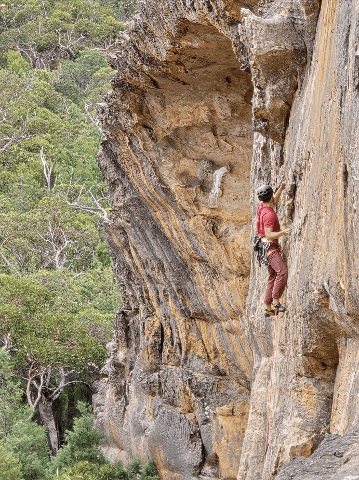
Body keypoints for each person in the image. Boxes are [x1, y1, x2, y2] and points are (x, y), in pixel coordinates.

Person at [256, 184, 290, 317]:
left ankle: (268, 307)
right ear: (270, 196)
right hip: (270, 248)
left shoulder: (262, 207)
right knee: (282, 272)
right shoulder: (269, 214)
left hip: (263, 248)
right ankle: (276, 302)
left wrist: (280, 190)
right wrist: (283, 232)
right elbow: (269, 234)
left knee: (272, 276)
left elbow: (273, 202)